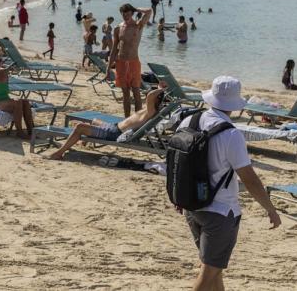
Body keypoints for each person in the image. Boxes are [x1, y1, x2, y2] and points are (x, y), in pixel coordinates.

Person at [180, 76, 280, 291]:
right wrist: (270, 208)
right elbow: (250, 179)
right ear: (233, 105)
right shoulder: (231, 134)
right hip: (221, 211)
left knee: (214, 270)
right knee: (208, 274)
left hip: (192, 205)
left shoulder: (189, 121)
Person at [48, 81, 167, 160]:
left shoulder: (151, 111)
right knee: (95, 120)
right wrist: (160, 91)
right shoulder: (149, 109)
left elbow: (150, 96)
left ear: (156, 100)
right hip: (114, 127)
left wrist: (160, 89)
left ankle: (59, 152)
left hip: (114, 133)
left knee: (79, 127)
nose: (148, 94)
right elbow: (151, 96)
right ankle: (83, 142)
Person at [109, 3, 152, 117]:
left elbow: (149, 11)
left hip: (133, 62)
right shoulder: (118, 28)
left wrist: (135, 8)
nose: (125, 15)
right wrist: (108, 68)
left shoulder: (138, 25)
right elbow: (114, 49)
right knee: (125, 94)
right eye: (123, 13)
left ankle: (137, 120)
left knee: (136, 92)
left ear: (132, 13)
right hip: (120, 63)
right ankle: (127, 119)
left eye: (128, 13)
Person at [0, 52, 33, 138]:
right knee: (17, 102)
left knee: (25, 102)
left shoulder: (5, 72)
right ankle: (19, 132)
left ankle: (31, 131)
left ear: (2, 61)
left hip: (6, 100)